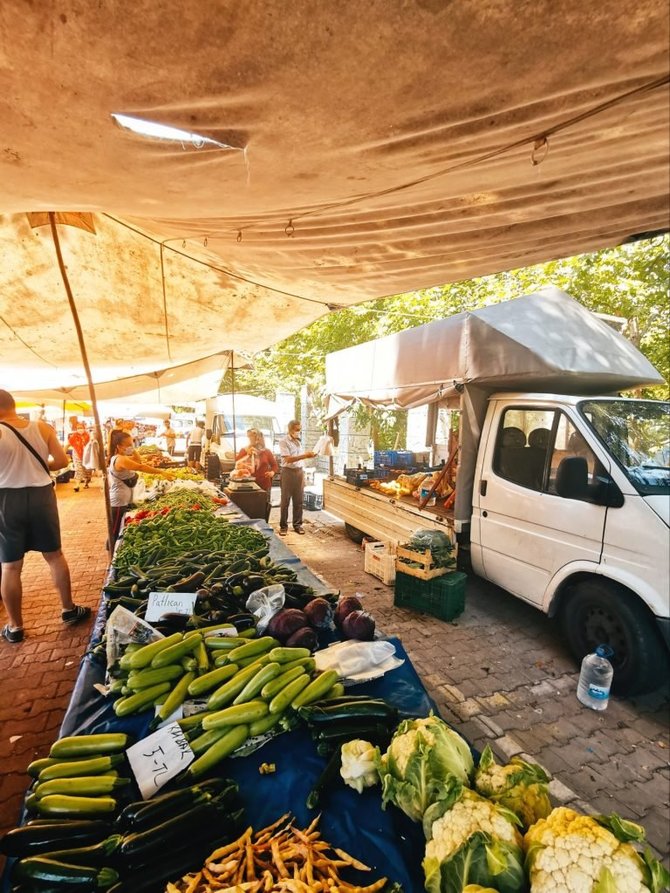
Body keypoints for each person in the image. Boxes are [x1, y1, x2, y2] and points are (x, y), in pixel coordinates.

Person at [0, 389, 91, 643]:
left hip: (7, 499)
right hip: (42, 495)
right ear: (13, 405)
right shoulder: (43, 427)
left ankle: (15, 627)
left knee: (10, 566)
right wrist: (38, 465)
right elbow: (62, 461)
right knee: (54, 556)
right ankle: (69, 609)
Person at [108, 429, 174, 542]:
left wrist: (132, 449)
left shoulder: (122, 457)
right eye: (128, 445)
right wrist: (161, 472)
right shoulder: (121, 459)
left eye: (132, 443)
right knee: (115, 530)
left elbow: (138, 461)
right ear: (119, 446)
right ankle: (112, 551)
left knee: (119, 527)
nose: (131, 446)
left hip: (123, 499)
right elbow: (141, 467)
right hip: (118, 501)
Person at [278, 420, 316, 535]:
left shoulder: (298, 442)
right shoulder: (283, 441)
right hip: (288, 472)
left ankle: (297, 525)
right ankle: (283, 526)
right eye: (297, 430)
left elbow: (299, 459)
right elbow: (288, 459)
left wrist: (311, 455)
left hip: (299, 472)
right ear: (290, 430)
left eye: (300, 430)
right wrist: (305, 455)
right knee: (285, 501)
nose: (299, 432)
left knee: (298, 500)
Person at [236, 428, 279, 522]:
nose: (251, 439)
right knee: (250, 508)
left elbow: (274, 465)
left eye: (253, 437)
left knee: (263, 508)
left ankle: (264, 524)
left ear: (259, 438)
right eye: (249, 437)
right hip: (248, 485)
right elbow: (237, 463)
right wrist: (247, 452)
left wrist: (272, 472)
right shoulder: (244, 450)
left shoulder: (266, 451)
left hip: (264, 484)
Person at [68, 418, 91, 491]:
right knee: (78, 469)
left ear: (84, 428)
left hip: (87, 455)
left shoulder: (88, 436)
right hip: (77, 454)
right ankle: (77, 485)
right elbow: (68, 444)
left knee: (87, 470)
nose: (80, 429)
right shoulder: (74, 436)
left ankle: (86, 482)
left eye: (81, 428)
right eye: (78, 428)